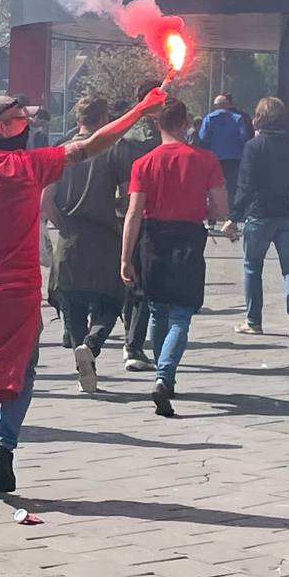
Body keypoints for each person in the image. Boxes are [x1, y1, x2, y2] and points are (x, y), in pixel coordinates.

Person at [0, 89, 166, 497]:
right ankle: (4, 447)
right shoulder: (30, 166)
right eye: (22, 120)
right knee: (21, 372)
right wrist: (140, 109)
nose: (29, 127)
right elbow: (92, 145)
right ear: (3, 128)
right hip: (18, 294)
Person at [121, 98, 229, 418]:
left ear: (158, 124)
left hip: (152, 239)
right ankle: (164, 376)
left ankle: (162, 373)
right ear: (186, 124)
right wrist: (209, 211)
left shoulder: (144, 163)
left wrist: (125, 257)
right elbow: (221, 208)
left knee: (157, 311)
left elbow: (133, 213)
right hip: (189, 238)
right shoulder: (205, 160)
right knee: (182, 314)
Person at [42, 94, 130, 393]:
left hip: (70, 239)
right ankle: (92, 345)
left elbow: (46, 199)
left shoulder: (60, 151)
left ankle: (81, 349)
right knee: (112, 301)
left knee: (72, 300)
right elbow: (128, 195)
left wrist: (61, 223)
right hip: (105, 238)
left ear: (77, 118)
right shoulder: (113, 151)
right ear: (104, 118)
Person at [222, 97, 289, 342]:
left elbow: (245, 185)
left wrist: (233, 216)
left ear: (259, 116)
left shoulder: (254, 145)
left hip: (261, 213)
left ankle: (253, 321)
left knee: (252, 266)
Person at [113, 86, 161, 373]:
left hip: (122, 211)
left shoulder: (122, 131)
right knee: (141, 282)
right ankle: (134, 343)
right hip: (150, 212)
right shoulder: (156, 135)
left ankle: (129, 336)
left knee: (128, 276)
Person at [198, 94, 252, 205]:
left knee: (213, 185)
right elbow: (244, 138)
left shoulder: (209, 118)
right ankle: (231, 212)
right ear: (227, 105)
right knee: (232, 186)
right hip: (234, 158)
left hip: (214, 158)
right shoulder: (238, 119)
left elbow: (202, 138)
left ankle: (214, 212)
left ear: (215, 106)